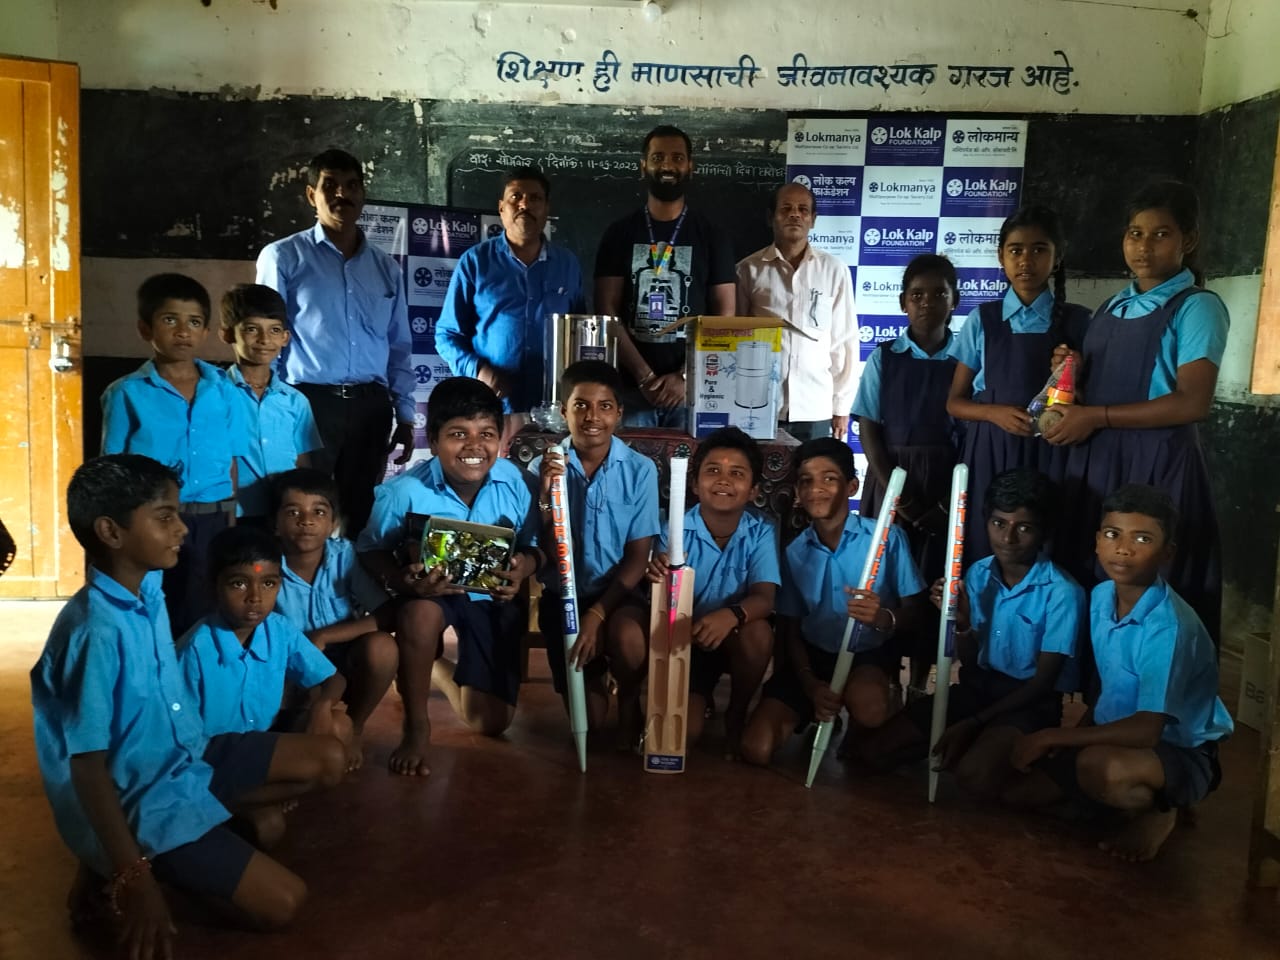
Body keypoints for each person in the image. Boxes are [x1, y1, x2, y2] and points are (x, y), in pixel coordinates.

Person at [31, 455, 310, 958]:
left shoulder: (150, 590)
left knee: (325, 760)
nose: (182, 528)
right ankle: (121, 865)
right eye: (165, 517)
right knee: (285, 904)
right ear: (111, 532)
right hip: (143, 802)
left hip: (183, 765)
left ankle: (166, 850)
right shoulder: (96, 630)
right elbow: (89, 770)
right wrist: (137, 881)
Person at [1007, 484, 1232, 862]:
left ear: (1167, 553)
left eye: (1142, 539)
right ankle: (1116, 801)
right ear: (1098, 542)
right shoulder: (1100, 597)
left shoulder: (1168, 626)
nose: (1123, 549)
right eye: (1113, 535)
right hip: (1118, 734)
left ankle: (1163, 808)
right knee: (1016, 794)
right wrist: (1067, 743)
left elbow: (1148, 729)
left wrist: (1052, 736)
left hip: (1179, 747)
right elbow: (1109, 686)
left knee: (1100, 768)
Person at [1045, 181, 1227, 646]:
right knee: (1101, 576)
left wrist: (1097, 417)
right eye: (1134, 233)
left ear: (1188, 239)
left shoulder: (1196, 307)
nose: (1143, 246)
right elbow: (1093, 390)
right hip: (1102, 460)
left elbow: (1192, 401)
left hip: (1158, 462)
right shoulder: (1112, 306)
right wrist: (1070, 375)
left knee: (1152, 579)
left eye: (1160, 234)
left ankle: (1155, 703)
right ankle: (1100, 693)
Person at [857, 469, 1084, 796]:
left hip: (1029, 703)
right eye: (999, 524)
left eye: (1024, 528)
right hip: (977, 690)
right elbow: (971, 664)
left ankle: (1007, 749)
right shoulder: (977, 574)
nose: (1008, 539)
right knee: (873, 754)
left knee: (973, 777)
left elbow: (1043, 684)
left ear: (1043, 531)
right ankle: (968, 743)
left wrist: (974, 722)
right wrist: (961, 624)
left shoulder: (1062, 592)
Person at [357, 377, 540, 776]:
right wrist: (405, 583)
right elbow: (368, 550)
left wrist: (525, 566)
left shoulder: (516, 482)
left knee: (489, 724)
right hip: (432, 597)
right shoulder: (402, 492)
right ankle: (416, 725)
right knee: (417, 615)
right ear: (434, 440)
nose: (474, 447)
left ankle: (430, 667)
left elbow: (534, 546)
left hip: (492, 602)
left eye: (486, 434)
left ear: (500, 438)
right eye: (458, 434)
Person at [739, 438, 928, 769]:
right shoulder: (794, 553)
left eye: (829, 478)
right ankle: (816, 713)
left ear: (852, 485)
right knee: (757, 748)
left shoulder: (885, 538)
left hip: (867, 654)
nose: (816, 489)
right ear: (797, 491)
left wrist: (884, 618)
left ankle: (860, 720)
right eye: (806, 480)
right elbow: (791, 629)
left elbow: (917, 611)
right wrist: (811, 685)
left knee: (870, 710)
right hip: (811, 658)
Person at [255, 148, 416, 537]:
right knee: (299, 512)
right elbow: (265, 339)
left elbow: (398, 347)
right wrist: (270, 407)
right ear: (312, 195)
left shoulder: (385, 268)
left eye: (351, 185)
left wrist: (406, 416)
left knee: (359, 513)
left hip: (370, 409)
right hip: (307, 406)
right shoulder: (282, 257)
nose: (342, 194)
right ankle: (295, 594)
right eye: (330, 185)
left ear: (363, 193)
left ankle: (347, 596)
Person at [178, 526, 351, 839]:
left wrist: (322, 707)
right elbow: (181, 742)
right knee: (269, 832)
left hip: (260, 740)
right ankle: (228, 801)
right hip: (212, 755)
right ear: (213, 587)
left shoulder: (278, 629)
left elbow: (332, 678)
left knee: (339, 726)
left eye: (269, 583)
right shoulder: (195, 649)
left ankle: (252, 797)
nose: (255, 597)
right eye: (239, 583)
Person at [101, 273, 247, 635]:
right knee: (153, 605)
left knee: (205, 608)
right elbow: (112, 469)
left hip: (212, 519)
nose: (183, 331)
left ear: (206, 332)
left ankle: (195, 686)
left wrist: (232, 515)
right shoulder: (126, 393)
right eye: (170, 320)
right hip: (152, 520)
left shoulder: (224, 390)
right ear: (144, 328)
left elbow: (232, 460)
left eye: (194, 322)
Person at [947, 205, 1092, 565]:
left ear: (1057, 258)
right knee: (988, 541)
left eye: (1039, 249)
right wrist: (993, 413)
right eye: (1016, 251)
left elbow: (1089, 404)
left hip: (1055, 452)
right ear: (1001, 257)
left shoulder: (1080, 322)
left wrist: (1073, 375)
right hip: (992, 449)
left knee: (1051, 537)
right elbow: (955, 402)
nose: (1026, 260)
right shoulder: (983, 320)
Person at [532, 360, 659, 749]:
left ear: (619, 413)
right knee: (588, 722)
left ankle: (631, 699)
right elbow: (545, 553)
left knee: (628, 638)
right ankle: (597, 682)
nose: (593, 417)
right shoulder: (544, 467)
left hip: (619, 595)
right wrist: (545, 497)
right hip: (564, 597)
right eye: (581, 405)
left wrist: (598, 613)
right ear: (563, 411)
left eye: (605, 406)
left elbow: (639, 557)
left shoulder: (640, 469)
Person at [640, 427, 778, 755]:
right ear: (693, 483)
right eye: (713, 470)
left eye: (737, 473)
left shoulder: (760, 531)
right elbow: (656, 598)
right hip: (685, 639)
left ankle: (737, 710)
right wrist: (656, 574)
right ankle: (696, 700)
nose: (724, 480)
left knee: (758, 634)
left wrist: (731, 615)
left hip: (734, 635)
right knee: (680, 739)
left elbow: (765, 597)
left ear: (753, 488)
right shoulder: (671, 530)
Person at [594, 125, 736, 429]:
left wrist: (685, 375)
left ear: (690, 167)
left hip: (694, 391)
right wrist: (644, 376)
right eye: (658, 157)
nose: (668, 166)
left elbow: (725, 314)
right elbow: (606, 310)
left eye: (677, 158)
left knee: (692, 476)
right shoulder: (619, 234)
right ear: (643, 166)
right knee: (630, 474)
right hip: (630, 392)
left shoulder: (712, 236)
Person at [435, 167, 585, 442]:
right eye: (516, 197)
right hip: (491, 410)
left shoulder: (568, 265)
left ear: (546, 207)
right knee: (495, 481)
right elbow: (447, 335)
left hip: (555, 412)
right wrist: (479, 371)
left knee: (551, 482)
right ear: (502, 208)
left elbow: (582, 334)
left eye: (535, 198)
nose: (525, 204)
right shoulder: (476, 262)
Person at [271, 468, 399, 769]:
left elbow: (388, 614)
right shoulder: (266, 565)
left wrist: (325, 636)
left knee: (382, 648)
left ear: (333, 523)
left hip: (342, 653)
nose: (306, 521)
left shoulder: (345, 556)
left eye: (318, 511)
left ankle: (356, 723)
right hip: (291, 665)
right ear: (274, 524)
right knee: (319, 737)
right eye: (293, 512)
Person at [735, 182, 859, 441]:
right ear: (771, 218)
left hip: (815, 407)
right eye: (786, 208)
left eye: (803, 210)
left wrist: (841, 407)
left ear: (813, 220)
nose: (795, 215)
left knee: (811, 479)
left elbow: (844, 342)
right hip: (760, 405)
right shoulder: (748, 270)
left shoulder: (834, 271)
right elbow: (735, 340)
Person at [219, 283, 323, 524]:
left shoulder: (296, 401)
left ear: (286, 337)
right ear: (227, 334)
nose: (264, 339)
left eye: (275, 330)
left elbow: (302, 463)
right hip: (234, 514)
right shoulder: (214, 396)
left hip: (283, 514)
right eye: (252, 329)